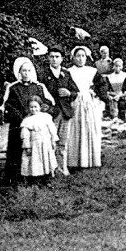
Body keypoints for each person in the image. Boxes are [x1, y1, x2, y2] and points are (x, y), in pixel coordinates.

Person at [2, 57, 55, 187]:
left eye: (28, 70)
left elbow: (47, 103)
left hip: (37, 125)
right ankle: (17, 178)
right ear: (19, 72)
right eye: (23, 71)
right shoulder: (13, 88)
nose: (26, 73)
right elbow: (9, 106)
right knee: (19, 151)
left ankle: (41, 176)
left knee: (39, 151)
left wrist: (39, 113)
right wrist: (23, 119)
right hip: (20, 124)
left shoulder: (38, 87)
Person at [37, 45, 79, 176]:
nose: (54, 59)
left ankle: (62, 168)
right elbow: (38, 93)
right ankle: (50, 170)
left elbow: (75, 92)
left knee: (62, 142)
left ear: (62, 59)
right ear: (48, 58)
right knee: (49, 141)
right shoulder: (43, 74)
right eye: (52, 57)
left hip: (65, 112)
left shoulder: (66, 73)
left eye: (57, 57)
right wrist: (44, 105)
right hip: (50, 113)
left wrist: (68, 93)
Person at [67, 46, 106, 169]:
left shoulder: (92, 71)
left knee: (90, 129)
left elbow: (102, 85)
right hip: (75, 103)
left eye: (83, 56)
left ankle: (91, 160)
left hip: (89, 103)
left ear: (86, 57)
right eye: (78, 56)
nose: (80, 59)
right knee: (75, 130)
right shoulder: (68, 71)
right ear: (73, 58)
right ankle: (75, 161)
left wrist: (96, 94)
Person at [20, 96, 59, 187]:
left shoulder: (46, 117)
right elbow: (25, 135)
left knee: (47, 161)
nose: (33, 109)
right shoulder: (27, 120)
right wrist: (27, 146)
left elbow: (52, 129)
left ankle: (47, 180)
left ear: (40, 107)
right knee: (35, 162)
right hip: (34, 145)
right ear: (28, 108)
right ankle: (35, 181)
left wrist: (54, 140)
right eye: (31, 107)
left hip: (45, 143)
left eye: (35, 107)